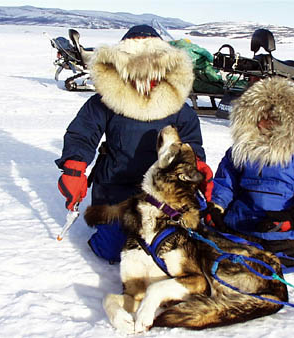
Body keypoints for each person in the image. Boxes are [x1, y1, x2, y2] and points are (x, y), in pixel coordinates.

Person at [56, 25, 213, 263]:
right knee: (119, 249)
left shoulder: (178, 106)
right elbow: (82, 133)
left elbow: (190, 143)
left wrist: (198, 165)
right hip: (116, 189)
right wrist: (74, 168)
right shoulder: (105, 100)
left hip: (162, 192)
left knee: (175, 245)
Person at [208, 76, 294, 267]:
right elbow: (225, 183)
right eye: (259, 118)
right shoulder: (240, 152)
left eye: (271, 119)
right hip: (240, 231)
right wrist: (216, 206)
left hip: (285, 236)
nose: (263, 124)